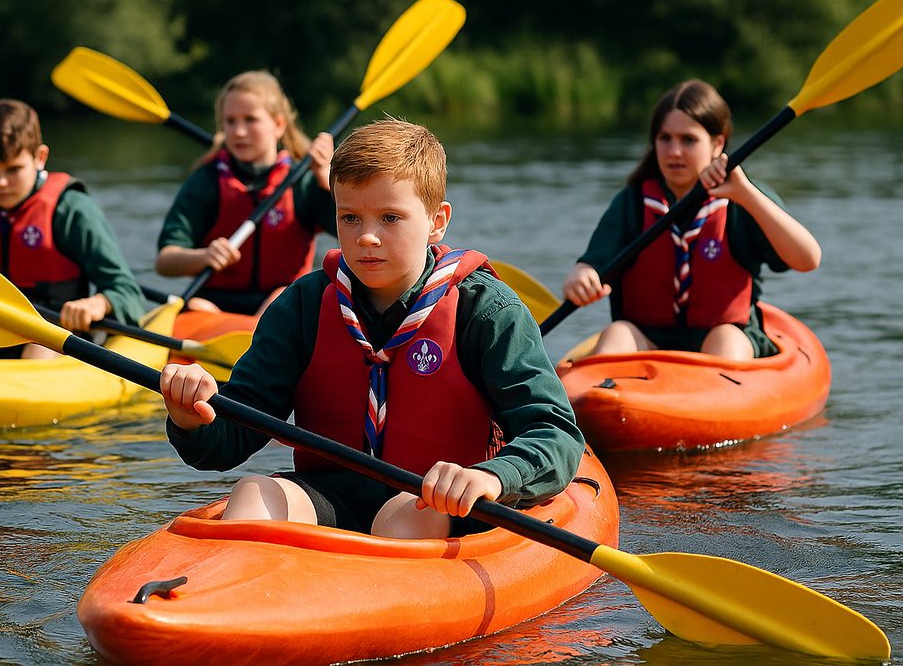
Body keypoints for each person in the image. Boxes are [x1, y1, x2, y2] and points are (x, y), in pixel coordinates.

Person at [159, 118, 585, 539]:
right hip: (330, 493)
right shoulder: (303, 306)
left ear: (437, 221)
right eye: (350, 218)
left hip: (437, 503)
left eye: (390, 218)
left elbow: (555, 433)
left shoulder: (487, 310)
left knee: (404, 517)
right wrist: (192, 418)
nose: (366, 237)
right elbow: (232, 436)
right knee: (255, 491)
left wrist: (496, 477)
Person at [561, 79, 822, 360]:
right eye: (665, 138)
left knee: (727, 340)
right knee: (618, 333)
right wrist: (580, 277)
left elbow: (808, 259)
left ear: (717, 143)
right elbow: (590, 265)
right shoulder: (632, 203)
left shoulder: (742, 200)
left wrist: (747, 195)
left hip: (725, 338)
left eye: (688, 140)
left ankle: (722, 396)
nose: (674, 151)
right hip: (646, 340)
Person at [0, 98, 144, 359]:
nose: (1, 183)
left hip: (52, 337)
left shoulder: (72, 209)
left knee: (39, 350)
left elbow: (127, 292)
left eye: (13, 169)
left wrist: (98, 303)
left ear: (40, 157)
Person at [155, 71, 336, 316]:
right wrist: (203, 256)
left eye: (250, 120)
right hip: (215, 307)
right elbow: (165, 260)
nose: (238, 132)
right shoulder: (206, 181)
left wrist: (328, 181)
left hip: (284, 304)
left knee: (280, 299)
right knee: (198, 308)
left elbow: (355, 235)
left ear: (278, 125)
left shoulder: (303, 182)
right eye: (230, 121)